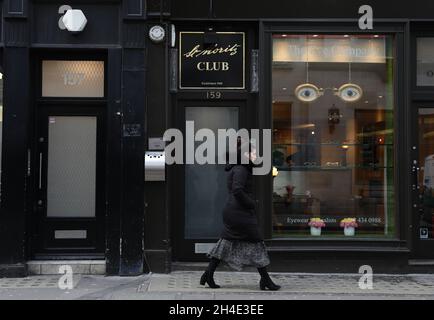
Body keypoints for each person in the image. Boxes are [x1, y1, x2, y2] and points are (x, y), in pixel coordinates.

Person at [200, 140, 281, 291]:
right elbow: (237, 190)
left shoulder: (240, 168)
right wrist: (251, 203)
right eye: (253, 152)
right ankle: (266, 280)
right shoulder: (241, 169)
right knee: (257, 242)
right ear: (246, 154)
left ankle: (208, 274)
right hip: (239, 212)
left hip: (235, 211)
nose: (256, 155)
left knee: (226, 243)